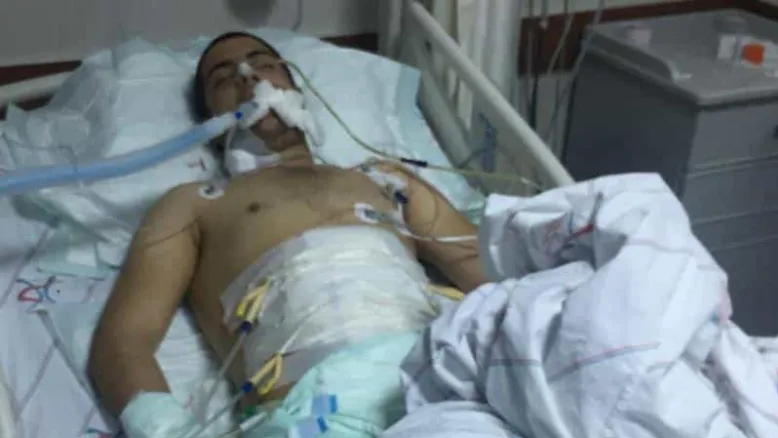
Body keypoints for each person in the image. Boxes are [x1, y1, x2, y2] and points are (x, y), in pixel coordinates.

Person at [87, 31, 487, 438]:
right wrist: (169, 429)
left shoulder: (385, 179)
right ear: (212, 122)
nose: (248, 77)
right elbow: (123, 342)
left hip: (445, 383)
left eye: (263, 64)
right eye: (223, 79)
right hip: (318, 415)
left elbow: (490, 277)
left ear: (296, 88)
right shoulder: (193, 205)